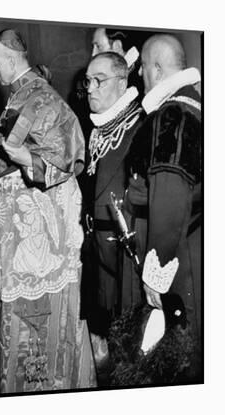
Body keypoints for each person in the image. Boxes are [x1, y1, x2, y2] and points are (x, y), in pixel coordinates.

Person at [0, 29, 96, 392]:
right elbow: (12, 152)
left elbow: (63, 159)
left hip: (38, 238)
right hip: (19, 236)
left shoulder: (39, 98)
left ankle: (45, 387)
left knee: (38, 314)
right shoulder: (23, 95)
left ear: (11, 61)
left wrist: (22, 156)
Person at [125, 34, 202, 381]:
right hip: (192, 239)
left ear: (155, 68)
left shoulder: (173, 115)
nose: (139, 74)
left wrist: (156, 277)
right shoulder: (196, 104)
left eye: (142, 67)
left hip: (177, 252)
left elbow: (170, 196)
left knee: (179, 353)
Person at [83, 52, 145, 369]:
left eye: (99, 80)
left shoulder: (139, 128)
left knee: (131, 327)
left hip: (126, 246)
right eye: (88, 81)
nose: (90, 88)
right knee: (107, 320)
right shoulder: (98, 131)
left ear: (123, 81)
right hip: (99, 242)